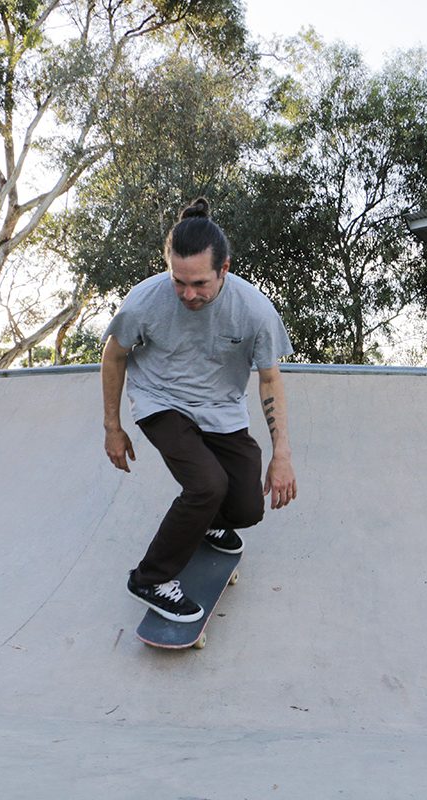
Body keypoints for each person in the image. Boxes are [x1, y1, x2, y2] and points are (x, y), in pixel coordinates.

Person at [101, 197, 297, 623]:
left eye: (200, 284)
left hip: (221, 408)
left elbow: (269, 379)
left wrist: (281, 455)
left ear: (224, 269)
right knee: (207, 485)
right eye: (179, 282)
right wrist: (113, 427)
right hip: (160, 399)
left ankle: (206, 520)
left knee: (246, 509)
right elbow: (113, 356)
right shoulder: (143, 302)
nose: (188, 294)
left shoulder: (255, 311)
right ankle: (150, 577)